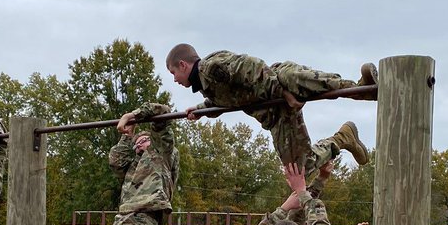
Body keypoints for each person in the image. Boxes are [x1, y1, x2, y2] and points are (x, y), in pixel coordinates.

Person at [160, 44, 377, 179]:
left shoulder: (210, 67)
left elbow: (252, 66)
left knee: (302, 80)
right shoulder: (208, 87)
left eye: (173, 73)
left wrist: (283, 93)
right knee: (301, 169)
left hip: (278, 80)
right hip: (276, 113)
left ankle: (364, 89)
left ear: (183, 64)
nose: (175, 79)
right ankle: (342, 139)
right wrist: (200, 110)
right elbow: (229, 101)